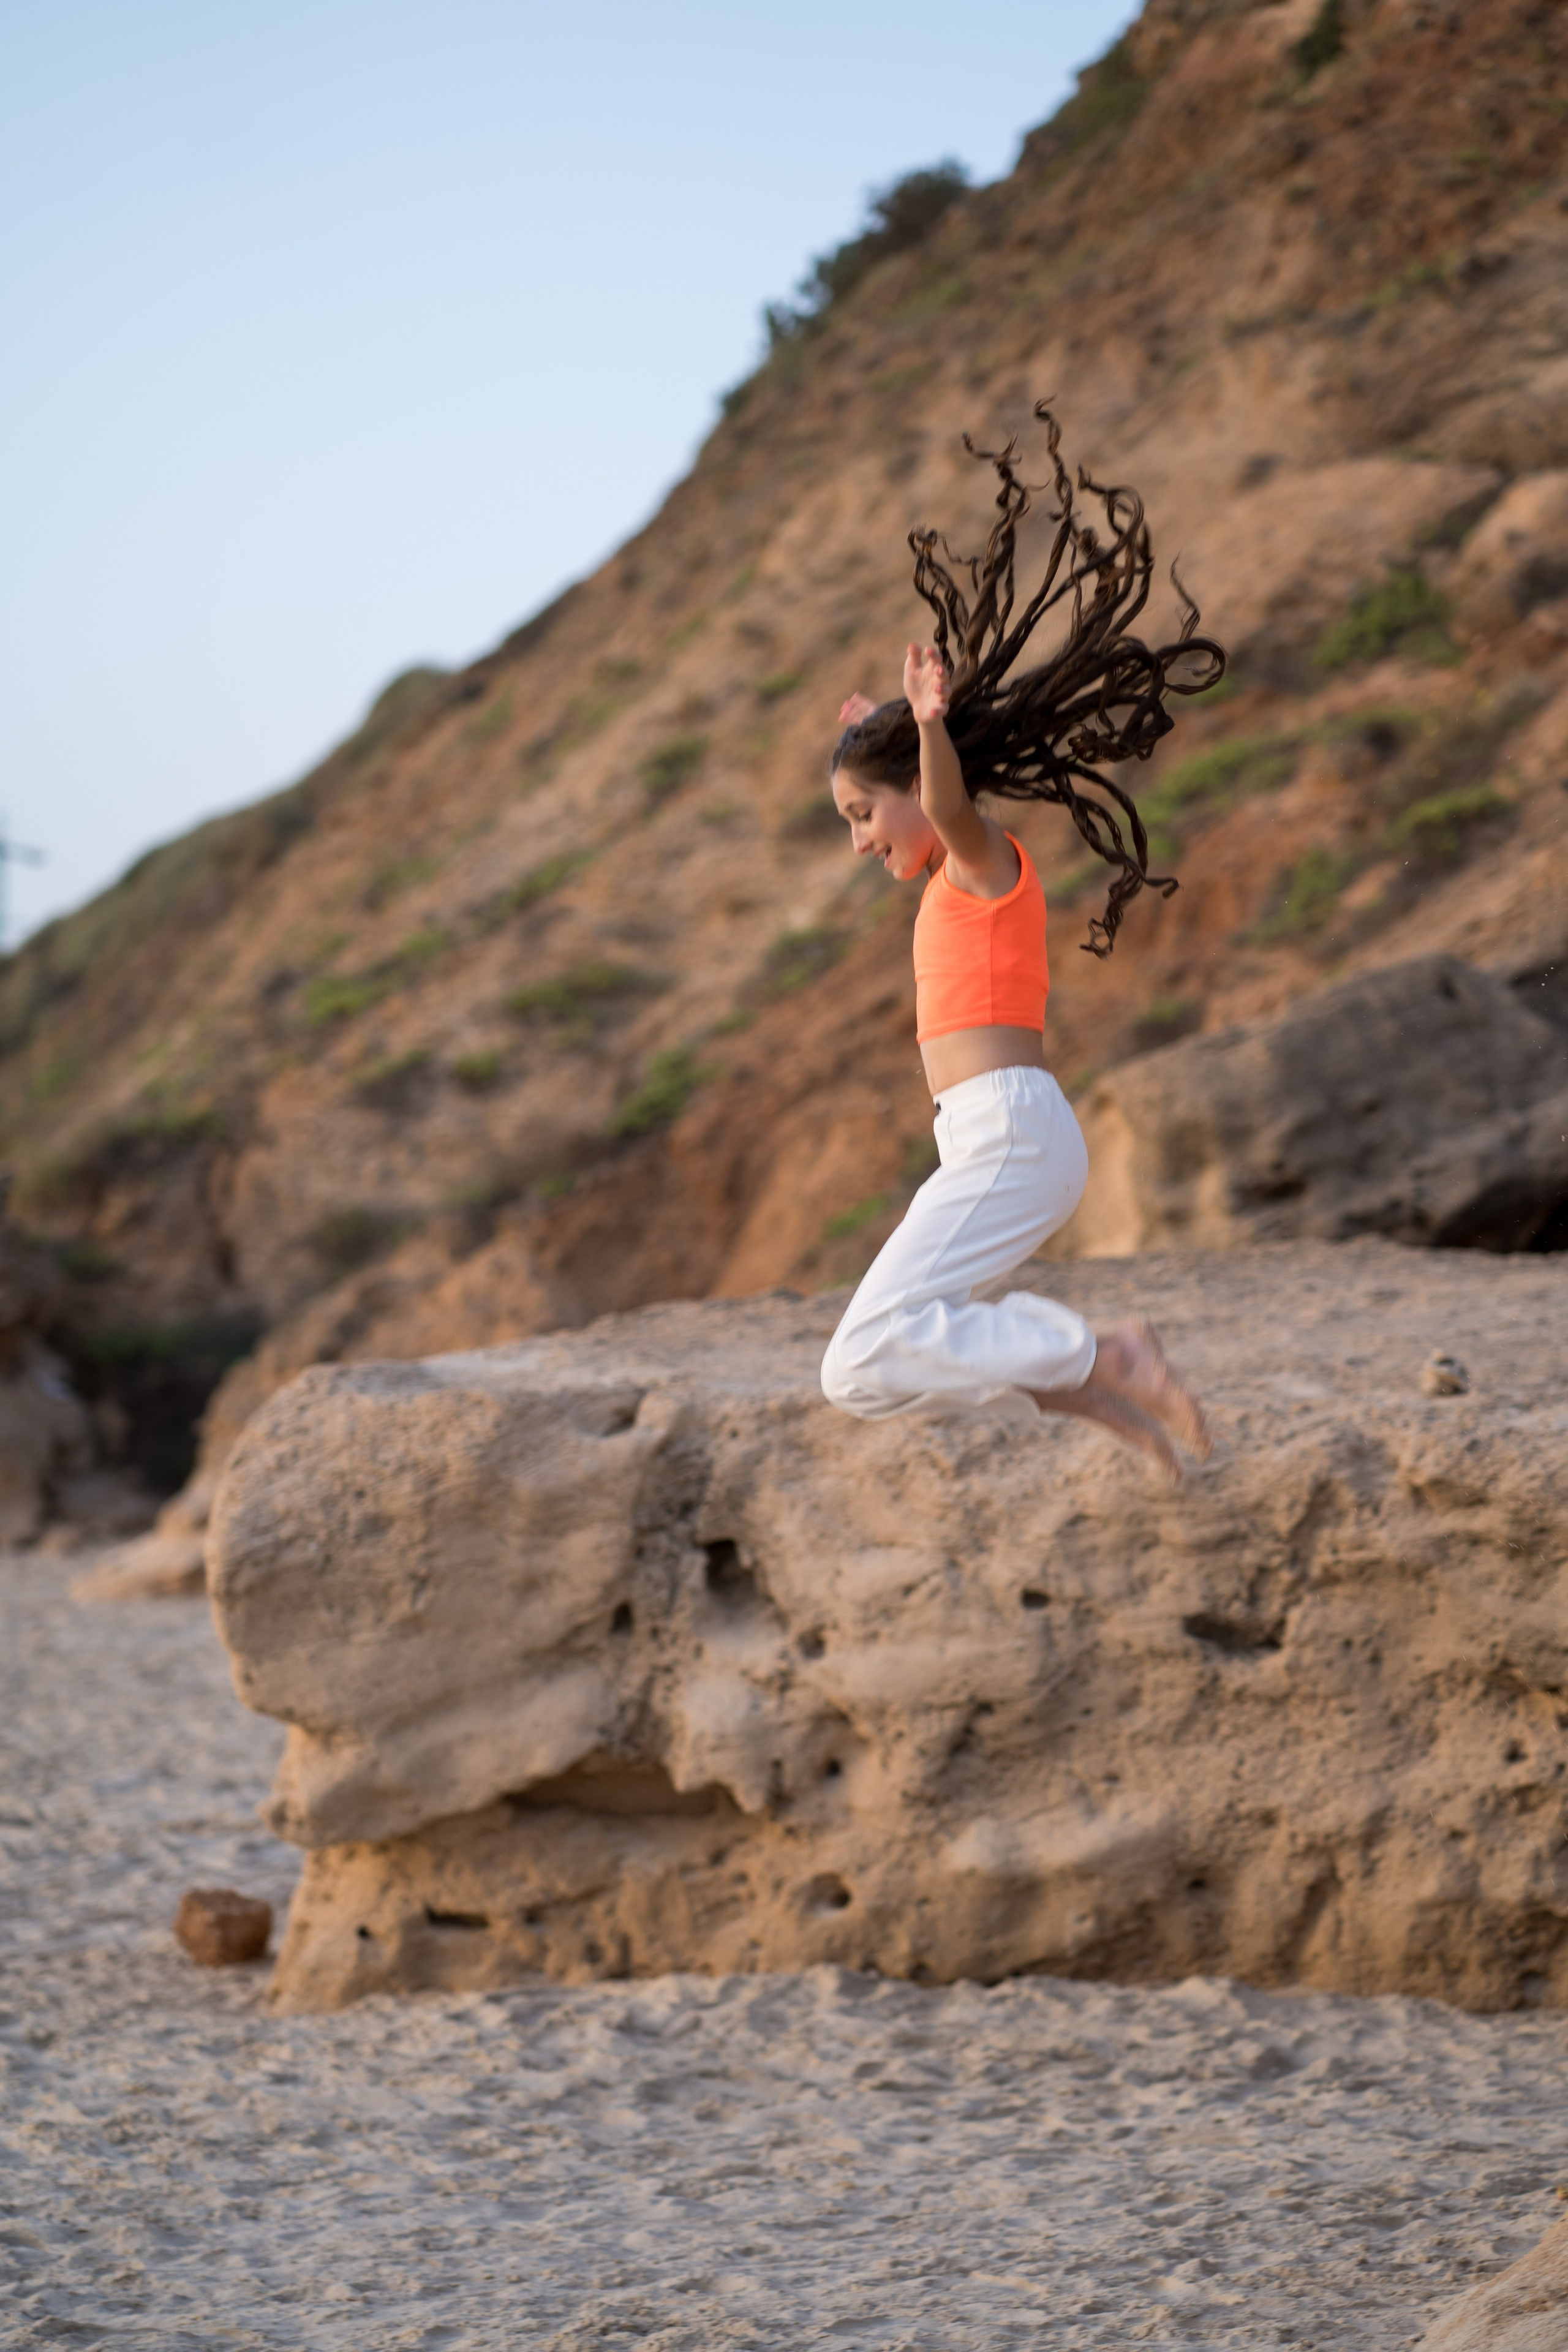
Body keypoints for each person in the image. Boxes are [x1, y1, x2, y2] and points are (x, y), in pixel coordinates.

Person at [818, 405, 1223, 1481]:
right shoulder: (952, 875)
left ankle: (1105, 1352)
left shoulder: (980, 858)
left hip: (1012, 1135)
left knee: (860, 1350)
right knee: (865, 1376)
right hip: (989, 1140)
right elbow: (911, 796)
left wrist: (928, 727)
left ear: (920, 792)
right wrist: (880, 742)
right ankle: (1082, 1387)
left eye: (863, 817)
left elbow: (941, 806)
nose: (861, 844)